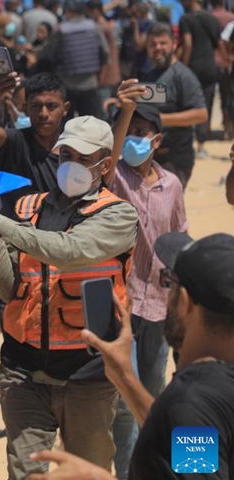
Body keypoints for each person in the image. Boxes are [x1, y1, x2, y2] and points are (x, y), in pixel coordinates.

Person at [0, 116, 139, 480]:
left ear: (105, 165)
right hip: (24, 371)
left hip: (87, 377)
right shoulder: (28, 208)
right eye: (64, 154)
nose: (69, 163)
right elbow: (12, 286)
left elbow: (67, 250)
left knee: (87, 473)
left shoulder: (118, 216)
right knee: (27, 473)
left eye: (80, 156)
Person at [28, 231, 234, 480]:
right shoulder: (207, 397)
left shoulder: (191, 400)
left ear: (186, 302)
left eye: (169, 281)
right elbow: (188, 442)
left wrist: (99, 477)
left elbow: (190, 426)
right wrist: (125, 378)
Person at [105, 89, 189, 480]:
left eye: (143, 131)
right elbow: (109, 161)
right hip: (122, 302)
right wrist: (126, 111)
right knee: (126, 399)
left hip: (158, 303)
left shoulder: (172, 184)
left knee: (151, 394)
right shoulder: (116, 175)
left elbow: (179, 235)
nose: (135, 138)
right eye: (131, 131)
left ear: (157, 140)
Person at [0, 71, 66, 218]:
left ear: (65, 108)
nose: (44, 113)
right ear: (25, 108)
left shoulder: (72, 151)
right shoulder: (16, 142)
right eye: (36, 106)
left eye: (51, 106)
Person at [140, 22, 208, 188]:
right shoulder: (149, 75)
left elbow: (201, 114)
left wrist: (160, 119)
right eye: (153, 44)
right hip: (149, 158)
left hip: (175, 160)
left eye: (163, 43)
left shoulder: (183, 75)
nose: (158, 48)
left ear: (174, 44)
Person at [38, 0, 108, 119]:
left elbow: (47, 53)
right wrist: (101, 75)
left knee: (67, 122)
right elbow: (105, 53)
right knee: (88, 121)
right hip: (90, 82)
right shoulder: (94, 27)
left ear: (68, 11)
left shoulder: (62, 29)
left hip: (67, 84)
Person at [178, 0, 223, 158]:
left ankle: (188, 142)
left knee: (188, 104)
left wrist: (182, 67)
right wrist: (225, 60)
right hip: (210, 66)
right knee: (207, 103)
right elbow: (219, 44)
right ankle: (201, 145)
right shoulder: (212, 19)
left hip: (193, 67)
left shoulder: (186, 19)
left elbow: (188, 44)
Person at [211, 0, 234, 139]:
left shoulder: (210, 16)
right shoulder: (231, 19)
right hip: (226, 64)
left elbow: (223, 41)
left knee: (225, 98)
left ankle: (227, 128)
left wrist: (228, 57)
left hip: (218, 62)